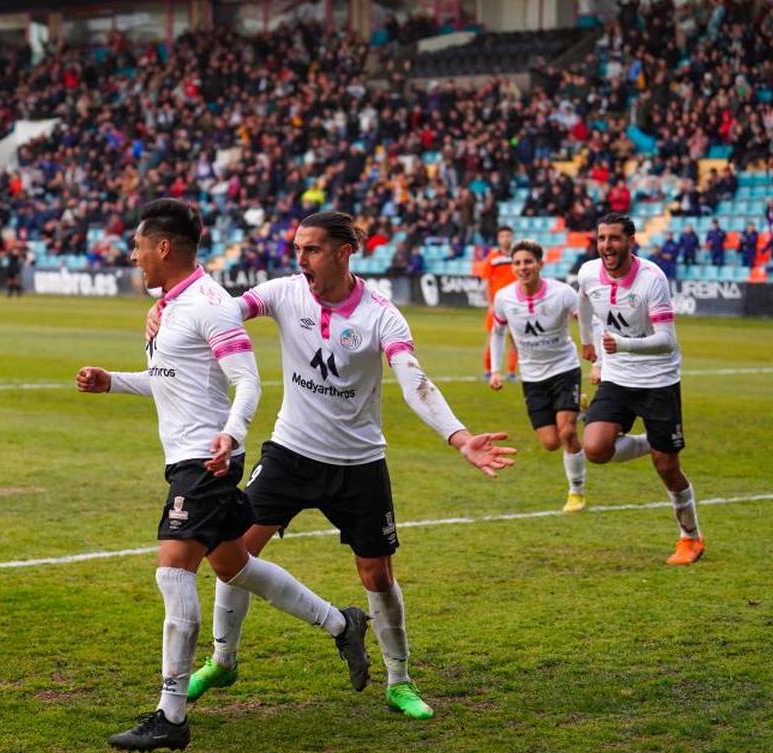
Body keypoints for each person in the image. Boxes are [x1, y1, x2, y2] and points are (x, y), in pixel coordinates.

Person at [147, 211, 515, 720]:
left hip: (357, 462)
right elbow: (219, 312)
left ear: (344, 252)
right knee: (234, 555)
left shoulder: (382, 315)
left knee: (376, 573)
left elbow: (413, 380)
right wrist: (165, 308)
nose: (301, 260)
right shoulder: (283, 291)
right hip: (290, 452)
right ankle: (223, 660)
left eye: (312, 250)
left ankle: (399, 680)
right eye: (297, 249)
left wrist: (460, 437)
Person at [77, 199, 371, 752]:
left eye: (139, 246)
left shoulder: (210, 305)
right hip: (194, 455)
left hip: (204, 461)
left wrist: (232, 435)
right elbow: (169, 378)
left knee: (172, 571)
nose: (134, 255)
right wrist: (111, 380)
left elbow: (248, 382)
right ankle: (341, 624)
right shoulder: (171, 303)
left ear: (164, 247)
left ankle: (171, 714)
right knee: (235, 567)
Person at [576, 213, 705, 566]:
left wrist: (621, 344)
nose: (607, 246)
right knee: (596, 448)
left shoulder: (652, 279)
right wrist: (588, 342)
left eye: (614, 238)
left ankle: (690, 537)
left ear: (631, 241)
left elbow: (666, 341)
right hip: (618, 378)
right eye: (602, 239)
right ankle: (652, 443)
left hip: (657, 380)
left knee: (667, 468)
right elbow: (583, 301)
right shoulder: (588, 272)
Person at [488, 239, 587, 513]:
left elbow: (588, 319)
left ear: (540, 264)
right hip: (532, 377)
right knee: (550, 443)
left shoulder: (563, 293)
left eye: (528, 262)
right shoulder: (504, 298)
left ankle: (576, 492)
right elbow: (496, 333)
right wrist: (496, 370)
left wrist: (597, 354)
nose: (522, 267)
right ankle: (580, 407)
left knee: (567, 433)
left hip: (565, 369)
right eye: (517, 263)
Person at [480, 225, 518, 379]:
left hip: (515, 303)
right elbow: (487, 282)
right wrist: (490, 304)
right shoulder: (493, 256)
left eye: (508, 235)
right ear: (498, 238)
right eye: (502, 236)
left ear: (512, 237)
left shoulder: (518, 256)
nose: (506, 239)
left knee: (515, 339)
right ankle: (488, 370)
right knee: (492, 337)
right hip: (497, 304)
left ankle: (511, 372)